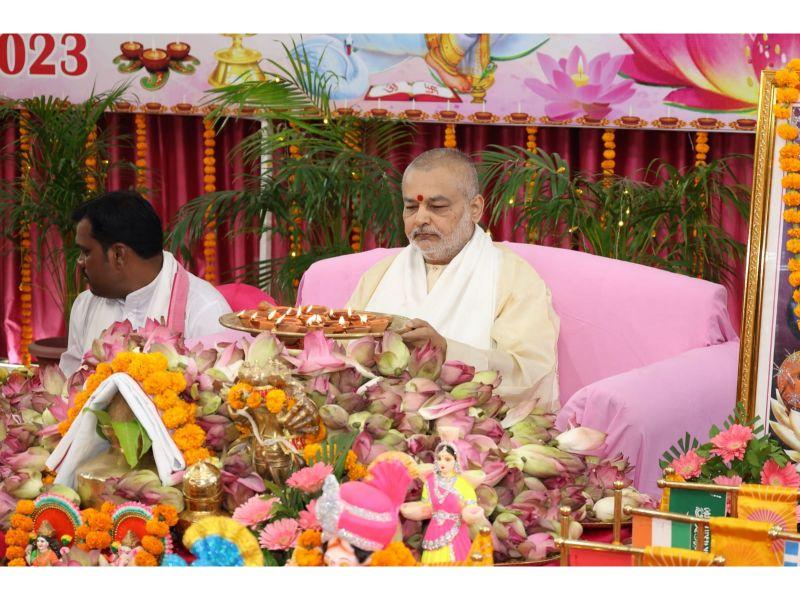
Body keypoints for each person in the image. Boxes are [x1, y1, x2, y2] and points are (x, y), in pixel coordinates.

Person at [347, 148, 560, 410]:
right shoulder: (380, 274)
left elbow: (529, 374)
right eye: (411, 207)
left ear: (475, 208)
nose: (421, 219)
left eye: (437, 207)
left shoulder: (512, 278)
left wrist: (447, 353)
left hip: (471, 431)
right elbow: (343, 350)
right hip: (374, 422)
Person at [59, 191, 231, 377]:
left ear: (118, 254)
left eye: (86, 252)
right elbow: (69, 386)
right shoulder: (84, 305)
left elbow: (220, 397)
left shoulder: (205, 310)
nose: (80, 262)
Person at [400, 442, 483, 564]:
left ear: (455, 461)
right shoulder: (430, 483)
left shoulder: (463, 484)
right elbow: (427, 506)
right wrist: (410, 509)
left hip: (456, 531)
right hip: (434, 530)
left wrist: (469, 513)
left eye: (447, 459)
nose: (442, 463)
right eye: (439, 459)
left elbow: (472, 507)